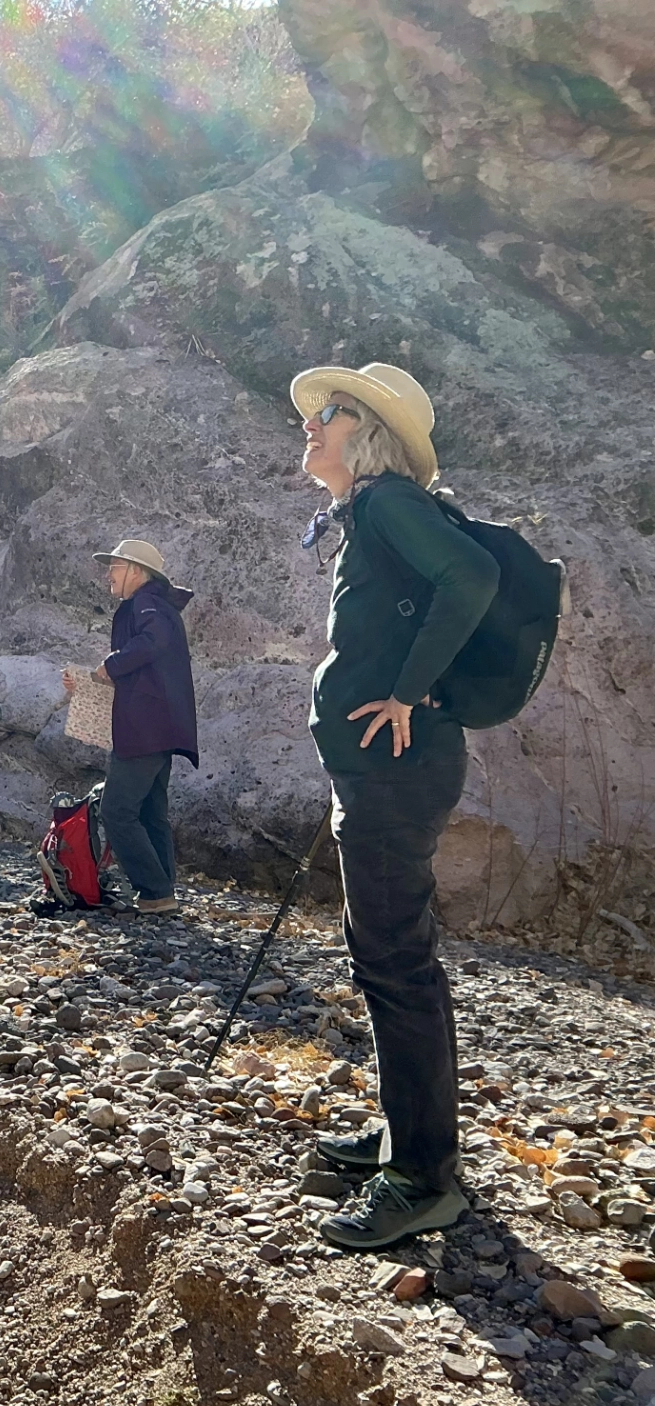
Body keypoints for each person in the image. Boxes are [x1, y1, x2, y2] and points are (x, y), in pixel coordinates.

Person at [292, 361, 497, 1250]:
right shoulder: (367, 514)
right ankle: (406, 1132)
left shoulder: (384, 503)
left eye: (326, 413)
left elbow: (475, 576)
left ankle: (423, 1175)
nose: (309, 424)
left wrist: (407, 692)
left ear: (364, 431)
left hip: (394, 773)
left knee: (396, 966)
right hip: (380, 775)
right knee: (391, 960)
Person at [63, 540, 198, 915]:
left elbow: (152, 642)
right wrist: (95, 681)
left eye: (116, 567)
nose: (109, 573)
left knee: (117, 810)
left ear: (137, 572)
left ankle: (153, 889)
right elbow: (147, 666)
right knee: (151, 811)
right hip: (161, 726)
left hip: (144, 727)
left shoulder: (145, 602)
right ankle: (161, 893)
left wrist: (113, 663)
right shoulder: (158, 604)